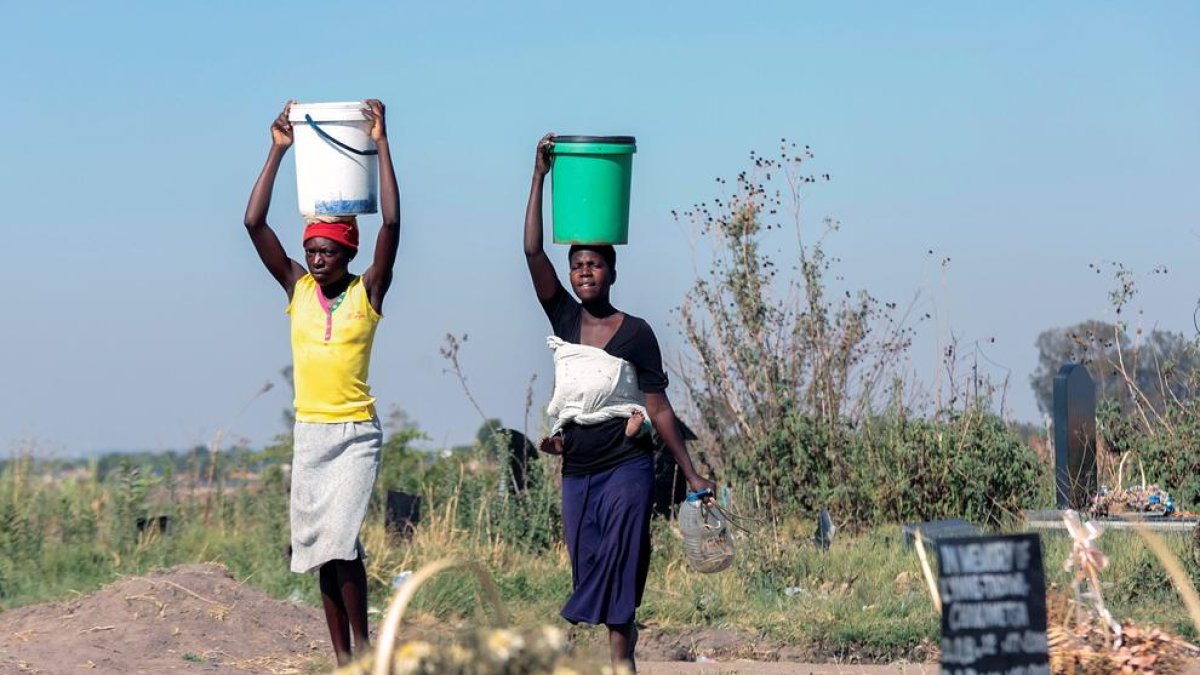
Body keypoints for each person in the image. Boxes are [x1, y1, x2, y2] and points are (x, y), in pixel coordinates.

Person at [523, 132, 716, 671]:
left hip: (627, 466)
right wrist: (539, 176)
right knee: (587, 565)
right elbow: (532, 251)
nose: (585, 273)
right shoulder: (563, 318)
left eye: (595, 266)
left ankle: (620, 663)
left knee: (622, 558)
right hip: (578, 467)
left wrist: (692, 473)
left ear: (613, 271)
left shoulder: (635, 333)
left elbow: (658, 409)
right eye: (578, 266)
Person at [243, 99, 400, 666]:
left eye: (325, 251)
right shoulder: (296, 290)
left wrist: (382, 145)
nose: (314, 259)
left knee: (341, 542)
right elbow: (253, 224)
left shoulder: (368, 293)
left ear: (347, 252)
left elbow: (392, 224)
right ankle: (343, 659)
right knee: (320, 553)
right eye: (309, 250)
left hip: (355, 434)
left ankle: (362, 649)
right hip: (311, 434)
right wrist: (278, 149)